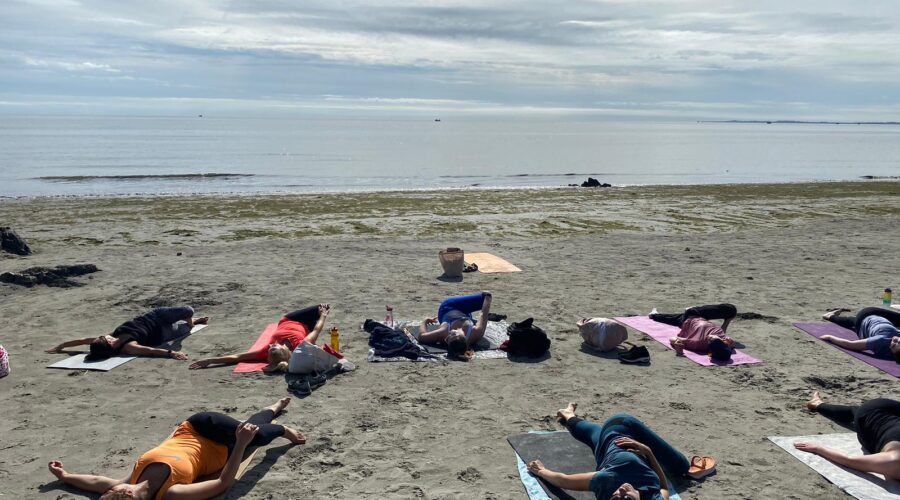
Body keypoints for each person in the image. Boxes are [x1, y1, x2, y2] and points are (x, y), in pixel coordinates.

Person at [47, 397, 305, 500]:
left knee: (247, 426)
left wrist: (65, 476)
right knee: (255, 433)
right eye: (115, 490)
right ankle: (282, 426)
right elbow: (222, 484)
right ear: (124, 493)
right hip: (223, 448)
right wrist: (241, 444)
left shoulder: (132, 478)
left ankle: (272, 410)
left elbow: (94, 481)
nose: (113, 485)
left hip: (195, 425)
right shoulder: (172, 493)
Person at [527, 403, 715, 500]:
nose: (622, 491)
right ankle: (569, 415)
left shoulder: (606, 481)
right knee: (682, 466)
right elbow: (665, 488)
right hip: (623, 445)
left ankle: (569, 415)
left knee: (600, 435)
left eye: (616, 498)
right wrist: (648, 452)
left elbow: (563, 481)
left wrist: (540, 471)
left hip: (618, 430)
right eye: (627, 498)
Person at [189, 304, 330, 372]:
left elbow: (237, 357)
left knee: (319, 308)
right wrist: (323, 315)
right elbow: (317, 329)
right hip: (307, 327)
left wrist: (209, 360)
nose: (269, 345)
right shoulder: (301, 345)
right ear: (284, 351)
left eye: (269, 348)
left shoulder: (264, 352)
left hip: (290, 319)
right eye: (273, 347)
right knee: (322, 308)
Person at [797, 392, 900, 481]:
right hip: (873, 410)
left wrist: (817, 448)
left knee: (854, 412)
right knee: (857, 412)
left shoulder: (893, 463)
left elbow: (848, 460)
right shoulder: (894, 461)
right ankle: (817, 404)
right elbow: (848, 459)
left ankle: (818, 404)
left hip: (879, 418)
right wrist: (817, 448)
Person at [45, 306, 208, 361]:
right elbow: (151, 351)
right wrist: (172, 353)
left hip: (155, 315)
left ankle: (191, 318)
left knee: (187, 310)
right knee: (186, 329)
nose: (104, 335)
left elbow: (81, 341)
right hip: (164, 332)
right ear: (109, 344)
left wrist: (60, 347)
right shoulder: (129, 347)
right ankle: (194, 321)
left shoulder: (110, 337)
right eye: (105, 338)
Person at [415, 292, 493, 360]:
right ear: (463, 337)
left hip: (448, 308)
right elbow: (484, 313)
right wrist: (488, 299)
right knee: (485, 297)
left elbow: (422, 336)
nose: (449, 334)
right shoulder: (476, 333)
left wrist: (425, 321)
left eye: (447, 338)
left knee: (484, 299)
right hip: (463, 311)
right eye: (452, 334)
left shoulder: (443, 332)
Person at [649, 303, 737, 361]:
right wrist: (727, 321)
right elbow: (724, 336)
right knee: (731, 310)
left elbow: (674, 338)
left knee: (682, 316)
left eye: (710, 341)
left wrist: (676, 343)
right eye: (715, 339)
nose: (710, 337)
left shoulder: (697, 343)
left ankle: (654, 315)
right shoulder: (726, 341)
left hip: (691, 316)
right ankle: (655, 315)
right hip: (703, 318)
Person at [821, 307, 900, 363]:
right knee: (851, 322)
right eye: (899, 342)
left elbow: (849, 344)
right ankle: (831, 317)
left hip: (865, 316)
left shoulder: (879, 341)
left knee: (854, 321)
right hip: (873, 322)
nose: (894, 341)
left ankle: (830, 316)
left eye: (892, 346)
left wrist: (830, 338)